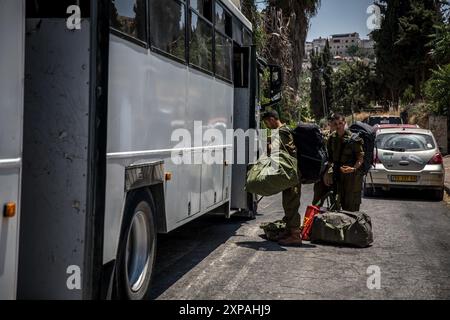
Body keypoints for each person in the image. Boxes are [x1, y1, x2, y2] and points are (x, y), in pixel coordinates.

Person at [262, 110, 302, 246]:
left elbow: (273, 150)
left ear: (272, 119)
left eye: (267, 122)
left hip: (292, 174)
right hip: (288, 174)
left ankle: (296, 235)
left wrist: (263, 143)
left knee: (292, 203)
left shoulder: (282, 132)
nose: (267, 125)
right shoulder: (282, 131)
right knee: (287, 202)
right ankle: (289, 231)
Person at [323, 113, 365, 212]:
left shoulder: (354, 139)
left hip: (351, 178)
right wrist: (327, 173)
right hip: (337, 176)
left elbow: (360, 158)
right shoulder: (332, 138)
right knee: (335, 207)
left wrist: (353, 168)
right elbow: (330, 159)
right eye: (335, 124)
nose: (338, 126)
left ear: (344, 123)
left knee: (351, 208)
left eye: (340, 123)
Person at [312, 115, 337, 206]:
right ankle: (312, 220)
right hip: (321, 175)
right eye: (332, 123)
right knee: (317, 203)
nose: (335, 125)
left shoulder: (343, 137)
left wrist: (329, 171)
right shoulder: (323, 136)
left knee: (335, 203)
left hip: (334, 175)